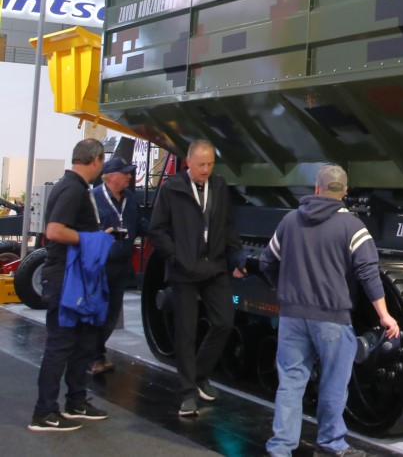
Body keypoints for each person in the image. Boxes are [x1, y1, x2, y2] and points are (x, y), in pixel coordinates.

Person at [261, 164, 399, 457]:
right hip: (332, 318)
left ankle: (281, 447)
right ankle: (330, 442)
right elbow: (368, 273)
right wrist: (384, 315)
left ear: (316, 188)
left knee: (290, 382)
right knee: (334, 383)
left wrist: (284, 290)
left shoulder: (289, 221)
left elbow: (267, 261)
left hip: (292, 316)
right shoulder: (353, 227)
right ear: (345, 192)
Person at [149, 139, 246, 417]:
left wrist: (236, 256)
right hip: (184, 270)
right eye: (201, 164)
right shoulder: (172, 188)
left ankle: (200, 375)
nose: (206, 170)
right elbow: (157, 230)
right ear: (188, 162)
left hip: (214, 267)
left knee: (224, 321)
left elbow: (227, 226)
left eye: (211, 164)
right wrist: (176, 255)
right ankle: (188, 393)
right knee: (186, 332)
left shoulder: (219, 187)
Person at [30, 138, 112, 432]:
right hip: (66, 278)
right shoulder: (72, 189)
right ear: (97, 160)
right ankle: (44, 412)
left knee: (83, 341)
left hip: (77, 278)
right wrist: (94, 239)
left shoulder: (76, 187)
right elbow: (54, 231)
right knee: (61, 344)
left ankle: (76, 401)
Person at [90, 157, 146, 375]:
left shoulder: (129, 198)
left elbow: (139, 223)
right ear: (110, 176)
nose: (129, 176)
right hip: (100, 265)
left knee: (112, 313)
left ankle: (95, 353)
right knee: (97, 311)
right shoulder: (94, 198)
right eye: (125, 173)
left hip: (121, 265)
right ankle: (93, 356)